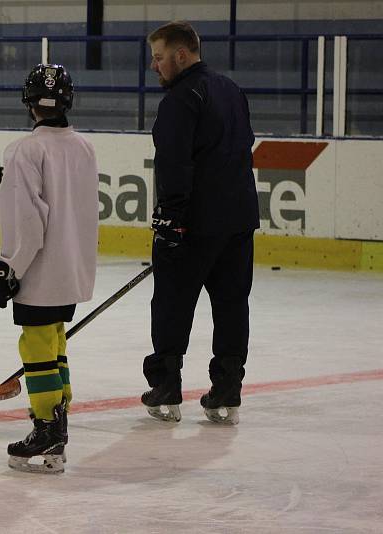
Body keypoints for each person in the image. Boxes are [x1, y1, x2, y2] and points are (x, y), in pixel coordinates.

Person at [140, 21, 259, 425]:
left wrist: (171, 215)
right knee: (231, 305)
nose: (154, 66)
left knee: (172, 303)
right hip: (238, 223)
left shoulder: (180, 99)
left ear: (181, 55)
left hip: (193, 224)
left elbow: (174, 161)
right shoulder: (231, 90)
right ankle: (227, 388)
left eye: (158, 57)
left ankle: (166, 386)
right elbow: (243, 149)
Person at [0, 64, 99, 473]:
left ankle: (47, 427)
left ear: (29, 104)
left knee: (36, 347)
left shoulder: (25, 150)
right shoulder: (85, 147)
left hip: (40, 270)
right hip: (71, 271)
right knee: (55, 342)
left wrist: (9, 267)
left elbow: (28, 222)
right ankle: (57, 425)